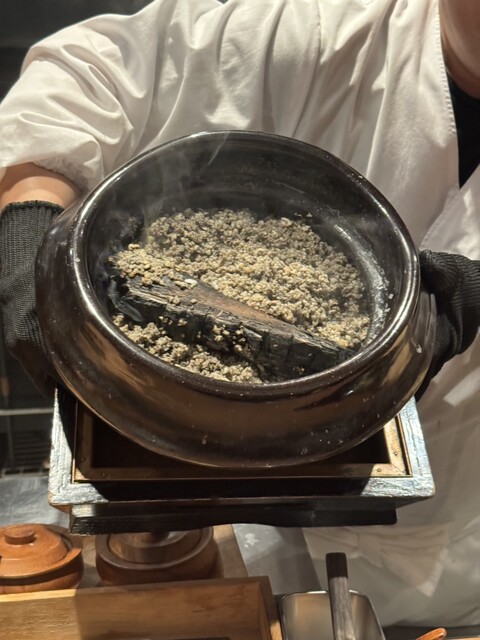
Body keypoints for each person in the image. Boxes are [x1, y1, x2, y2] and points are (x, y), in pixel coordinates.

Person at [0, 0, 478, 626]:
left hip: (451, 540)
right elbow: (89, 68)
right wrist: (28, 218)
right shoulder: (326, 32)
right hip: (238, 514)